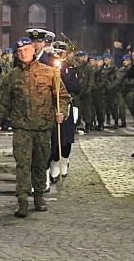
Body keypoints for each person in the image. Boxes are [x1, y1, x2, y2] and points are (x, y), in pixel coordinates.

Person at [0, 37, 69, 218]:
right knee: (23, 164)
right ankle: (22, 200)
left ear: (33, 50)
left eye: (26, 50)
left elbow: (62, 97)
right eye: (19, 52)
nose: (23, 54)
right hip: (21, 128)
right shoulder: (12, 76)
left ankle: (39, 196)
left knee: (41, 163)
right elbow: (2, 102)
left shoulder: (50, 72)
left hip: (43, 127)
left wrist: (62, 112)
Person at [48, 42, 80, 184]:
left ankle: (64, 161)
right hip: (51, 105)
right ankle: (54, 163)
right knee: (54, 137)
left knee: (66, 138)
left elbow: (76, 87)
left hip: (66, 105)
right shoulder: (48, 67)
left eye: (61, 53)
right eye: (56, 53)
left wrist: (62, 75)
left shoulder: (71, 69)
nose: (59, 56)